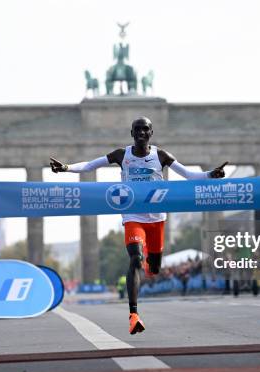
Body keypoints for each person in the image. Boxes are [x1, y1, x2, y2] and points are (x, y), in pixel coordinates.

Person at [50, 116, 226, 334]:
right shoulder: (121, 155)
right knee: (135, 257)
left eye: (145, 130)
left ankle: (148, 265)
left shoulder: (160, 155)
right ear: (131, 133)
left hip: (157, 219)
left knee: (154, 267)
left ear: (151, 133)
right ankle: (134, 314)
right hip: (133, 216)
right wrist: (66, 168)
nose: (141, 133)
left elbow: (189, 174)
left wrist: (211, 174)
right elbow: (90, 165)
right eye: (137, 130)